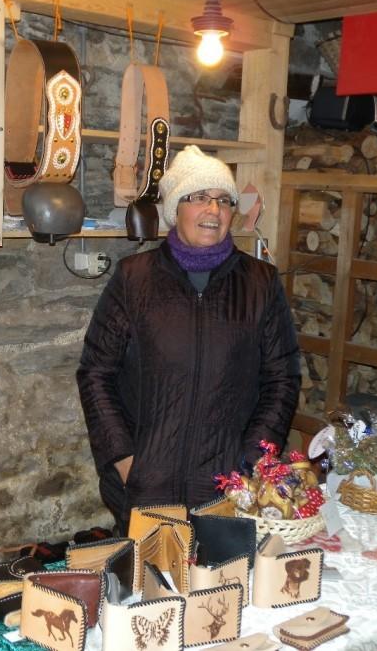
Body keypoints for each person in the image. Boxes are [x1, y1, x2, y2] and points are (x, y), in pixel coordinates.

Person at [77, 146, 301, 533]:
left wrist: (252, 460)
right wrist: (124, 458)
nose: (213, 210)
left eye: (223, 200)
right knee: (149, 573)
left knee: (223, 574)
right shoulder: (134, 278)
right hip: (145, 486)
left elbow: (282, 378)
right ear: (175, 209)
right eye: (198, 197)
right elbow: (96, 373)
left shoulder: (260, 283)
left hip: (227, 490)